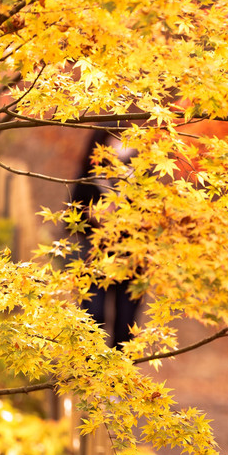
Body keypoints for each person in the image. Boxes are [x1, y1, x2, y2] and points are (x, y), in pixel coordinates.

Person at [71, 129, 141, 347]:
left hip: (132, 260)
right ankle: (92, 374)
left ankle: (120, 377)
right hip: (94, 257)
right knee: (94, 317)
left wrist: (132, 219)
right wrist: (91, 214)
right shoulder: (90, 176)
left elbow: (156, 218)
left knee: (125, 327)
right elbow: (69, 217)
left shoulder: (141, 178)